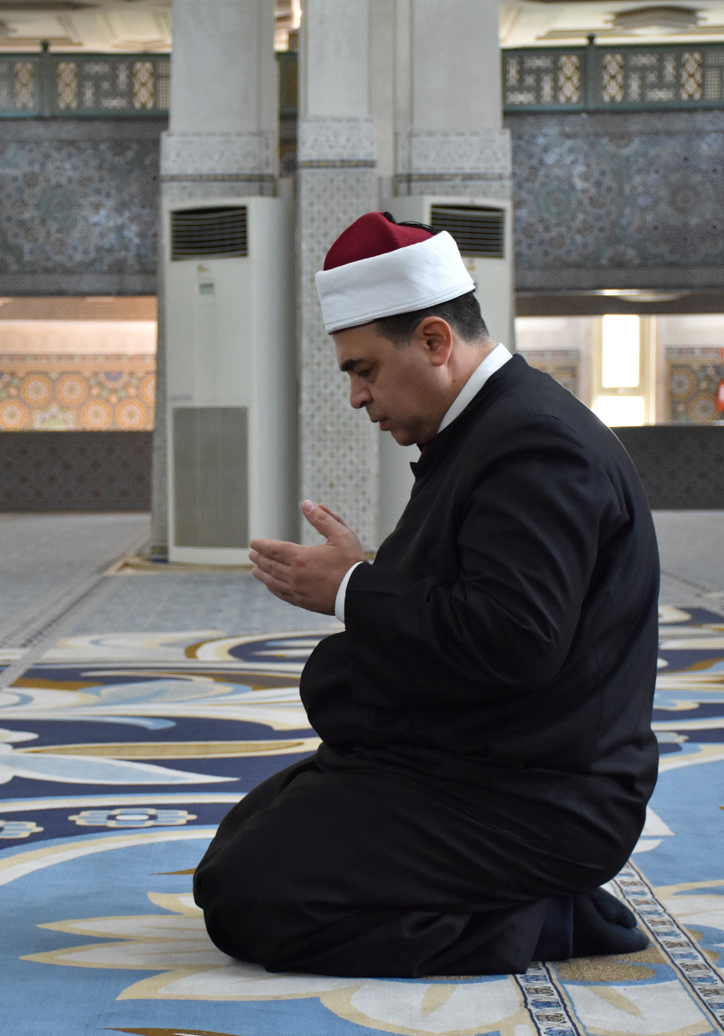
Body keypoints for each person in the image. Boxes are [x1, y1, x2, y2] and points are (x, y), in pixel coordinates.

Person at [192, 212, 660, 978]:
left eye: (364, 368)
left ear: (437, 342)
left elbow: (512, 638)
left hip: (548, 796)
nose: (355, 395)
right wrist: (369, 575)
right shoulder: (486, 432)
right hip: (486, 757)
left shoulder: (536, 445)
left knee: (254, 897)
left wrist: (350, 587)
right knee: (244, 841)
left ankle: (544, 918)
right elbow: (479, 597)